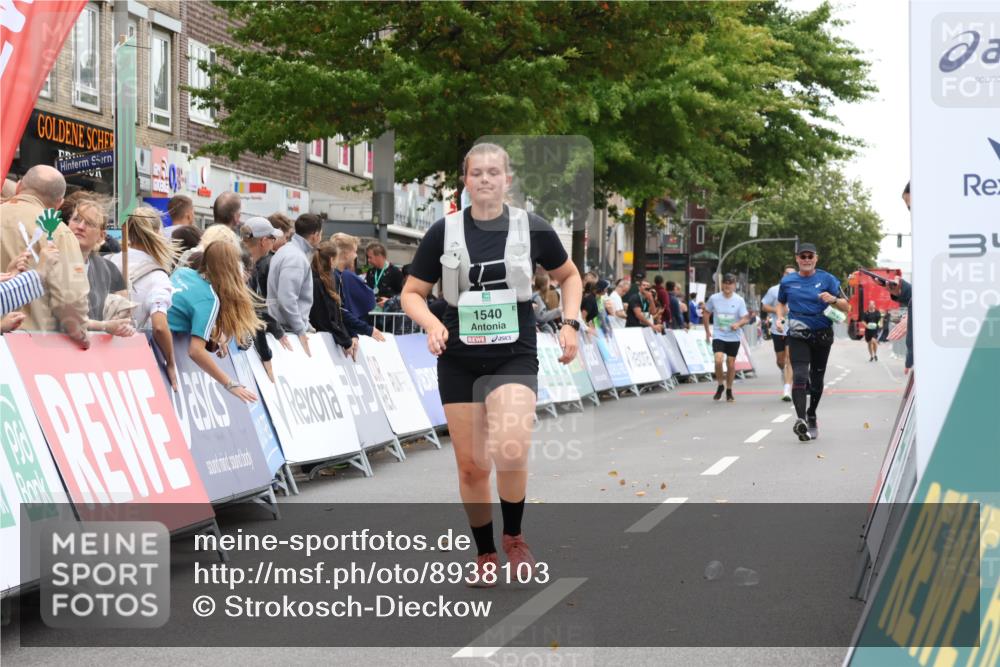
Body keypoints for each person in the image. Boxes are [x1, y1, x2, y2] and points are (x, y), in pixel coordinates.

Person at [401, 142, 582, 586]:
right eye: (476, 172)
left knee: (511, 448)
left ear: (507, 179)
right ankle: (484, 552)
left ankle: (515, 537)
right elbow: (412, 293)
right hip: (459, 358)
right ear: (465, 180)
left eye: (493, 172)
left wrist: (570, 322)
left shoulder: (532, 227)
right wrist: (431, 324)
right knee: (472, 466)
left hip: (513, 354)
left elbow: (569, 276)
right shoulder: (443, 231)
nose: (485, 179)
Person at [0, 165, 91, 348]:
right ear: (59, 203)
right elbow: (70, 299)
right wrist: (81, 334)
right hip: (30, 345)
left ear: (19, 186)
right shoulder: (59, 232)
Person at [168, 241, 260, 403]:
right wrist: (229, 384)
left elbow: (183, 307)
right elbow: (195, 351)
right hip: (159, 345)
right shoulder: (210, 300)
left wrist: (213, 328)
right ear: (230, 268)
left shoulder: (182, 272)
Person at [775, 243, 849, 441]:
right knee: (799, 375)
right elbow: (781, 303)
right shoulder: (788, 281)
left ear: (816, 258)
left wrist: (833, 299)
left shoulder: (827, 279)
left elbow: (846, 306)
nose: (806, 260)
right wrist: (780, 318)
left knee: (816, 379)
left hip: (822, 334)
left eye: (810, 256)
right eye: (803, 256)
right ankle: (801, 420)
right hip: (797, 334)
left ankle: (812, 414)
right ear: (797, 259)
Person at [111, 206, 181, 388]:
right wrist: (170, 361)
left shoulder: (109, 261)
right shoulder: (157, 277)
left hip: (98, 350)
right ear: (157, 233)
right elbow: (159, 327)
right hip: (131, 358)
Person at [64, 196, 134, 337]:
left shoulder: (106, 269)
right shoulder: (53, 260)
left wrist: (120, 322)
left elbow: (120, 311)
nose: (80, 227)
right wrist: (104, 326)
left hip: (93, 346)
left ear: (101, 236)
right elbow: (65, 319)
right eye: (76, 219)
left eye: (89, 223)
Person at [242, 217, 291, 380]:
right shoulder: (242, 266)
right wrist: (266, 355)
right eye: (272, 238)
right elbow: (254, 313)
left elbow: (258, 306)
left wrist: (277, 331)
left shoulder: (247, 263)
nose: (273, 243)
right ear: (263, 241)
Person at [267, 213, 322, 355]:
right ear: (315, 235)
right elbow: (287, 299)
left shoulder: (288, 251)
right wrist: (301, 329)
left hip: (286, 329)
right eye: (321, 234)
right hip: (290, 333)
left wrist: (305, 326)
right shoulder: (296, 257)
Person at [703, 274, 750, 402]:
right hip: (719, 334)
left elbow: (745, 318)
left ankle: (729, 389)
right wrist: (707, 331)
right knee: (718, 360)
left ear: (734, 285)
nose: (727, 285)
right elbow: (706, 313)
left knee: (730, 363)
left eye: (730, 283)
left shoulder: (739, 300)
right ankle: (720, 385)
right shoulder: (714, 298)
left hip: (733, 336)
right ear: (721, 284)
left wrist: (738, 324)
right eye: (725, 283)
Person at [310, 241, 358, 358]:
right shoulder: (317, 282)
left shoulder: (328, 279)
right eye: (337, 259)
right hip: (320, 341)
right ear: (331, 260)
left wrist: (347, 338)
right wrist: (345, 340)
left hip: (327, 338)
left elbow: (336, 316)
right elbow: (325, 318)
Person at [331, 233, 383, 340]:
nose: (356, 256)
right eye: (355, 252)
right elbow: (339, 311)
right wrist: (368, 330)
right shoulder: (334, 277)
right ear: (346, 254)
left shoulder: (337, 275)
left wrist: (352, 335)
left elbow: (341, 311)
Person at [760, 266, 797, 401]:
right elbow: (764, 306)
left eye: (792, 274)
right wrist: (777, 310)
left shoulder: (798, 289)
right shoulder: (774, 290)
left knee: (789, 359)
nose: (789, 276)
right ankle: (784, 372)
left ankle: (787, 389)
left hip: (793, 328)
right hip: (778, 329)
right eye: (787, 273)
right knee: (780, 361)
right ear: (783, 275)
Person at [364, 241, 404, 306]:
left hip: (389, 310)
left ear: (379, 256)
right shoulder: (370, 272)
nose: (368, 260)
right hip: (372, 309)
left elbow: (403, 295)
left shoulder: (395, 272)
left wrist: (389, 301)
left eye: (370, 257)